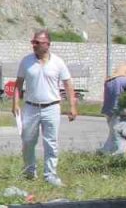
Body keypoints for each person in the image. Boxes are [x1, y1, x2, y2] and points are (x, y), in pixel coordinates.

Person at [10, 30, 78, 186]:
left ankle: (50, 175)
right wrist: (15, 103)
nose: (34, 45)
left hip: (52, 107)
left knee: (51, 142)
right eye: (33, 42)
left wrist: (72, 106)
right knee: (27, 141)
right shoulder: (26, 61)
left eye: (37, 43)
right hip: (31, 107)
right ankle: (29, 172)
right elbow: (18, 84)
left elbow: (68, 84)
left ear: (47, 44)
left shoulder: (58, 62)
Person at [99, 62, 126, 155]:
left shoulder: (108, 81)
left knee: (113, 134)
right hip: (121, 111)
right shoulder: (125, 80)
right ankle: (118, 158)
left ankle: (104, 153)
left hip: (108, 111)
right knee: (121, 137)